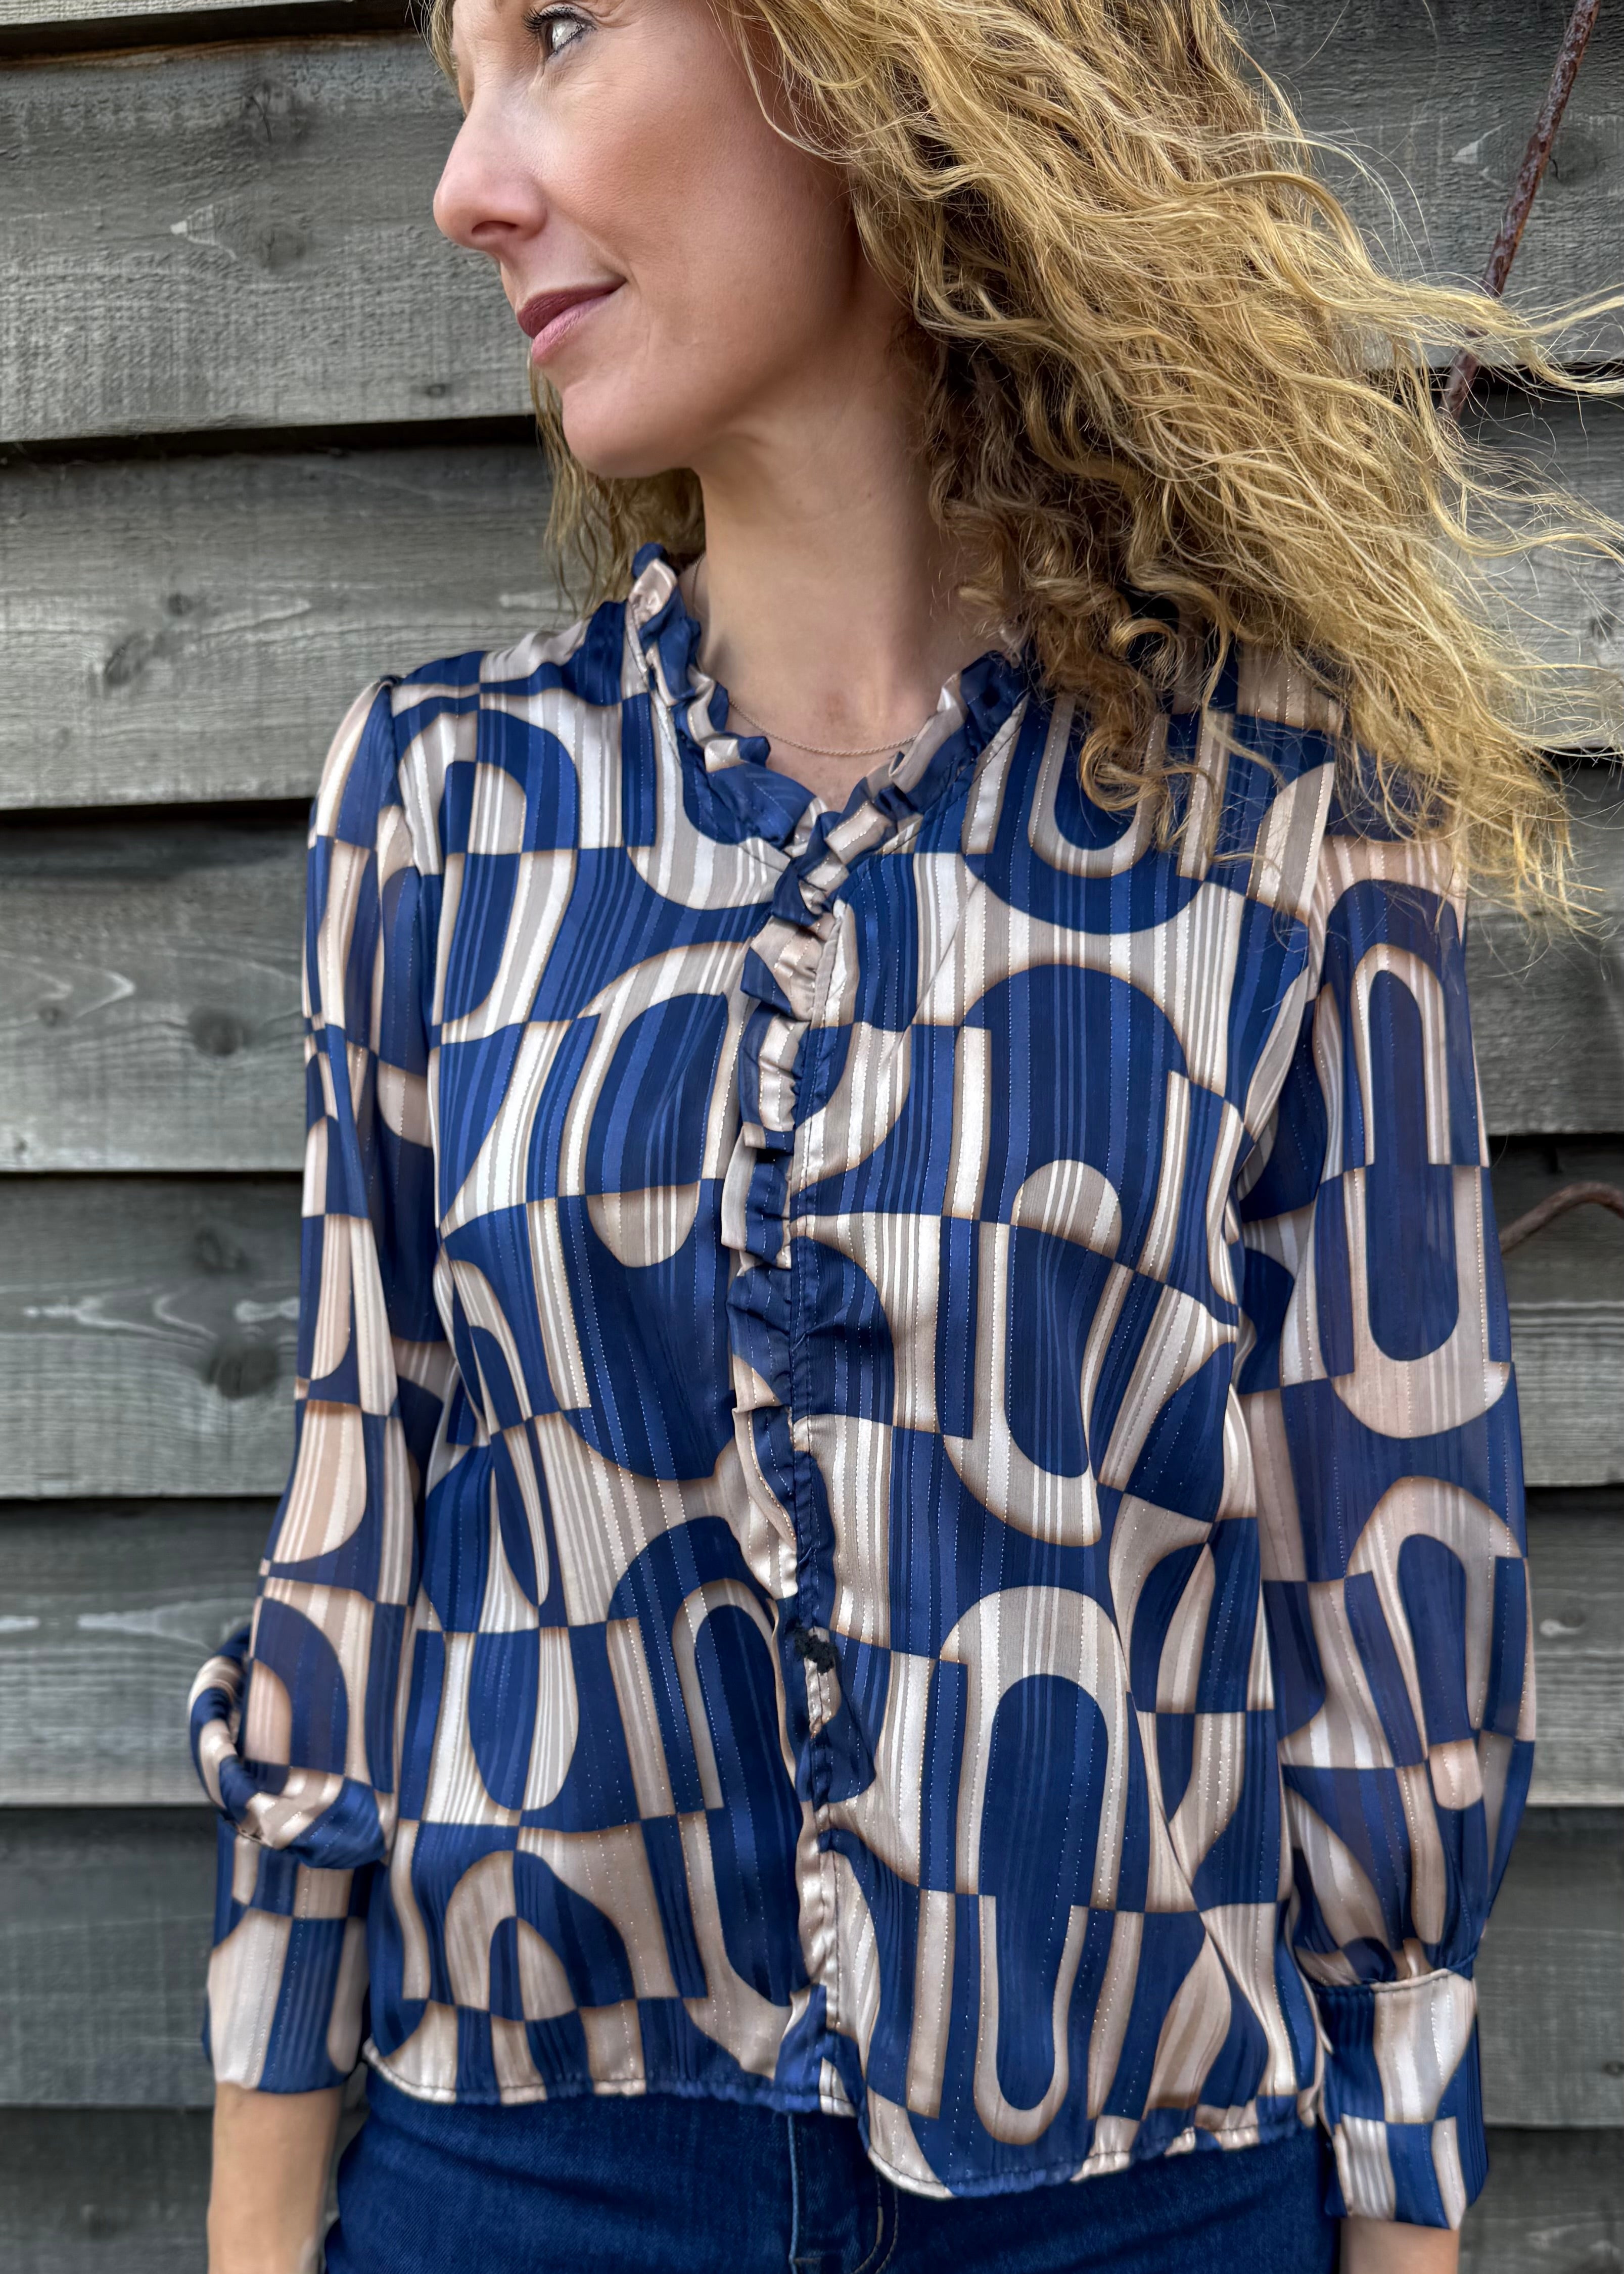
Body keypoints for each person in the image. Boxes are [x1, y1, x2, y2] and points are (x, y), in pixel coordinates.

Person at [190, 0, 1613, 2266]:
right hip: (531, 2175)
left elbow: (1397, 1602)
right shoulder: (448, 806)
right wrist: (260, 2219)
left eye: (559, 30)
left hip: (1144, 2192)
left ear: (864, 54)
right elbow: (353, 1524)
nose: (467, 187)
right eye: (460, 85)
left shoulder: (1286, 812)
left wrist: (1408, 2192)